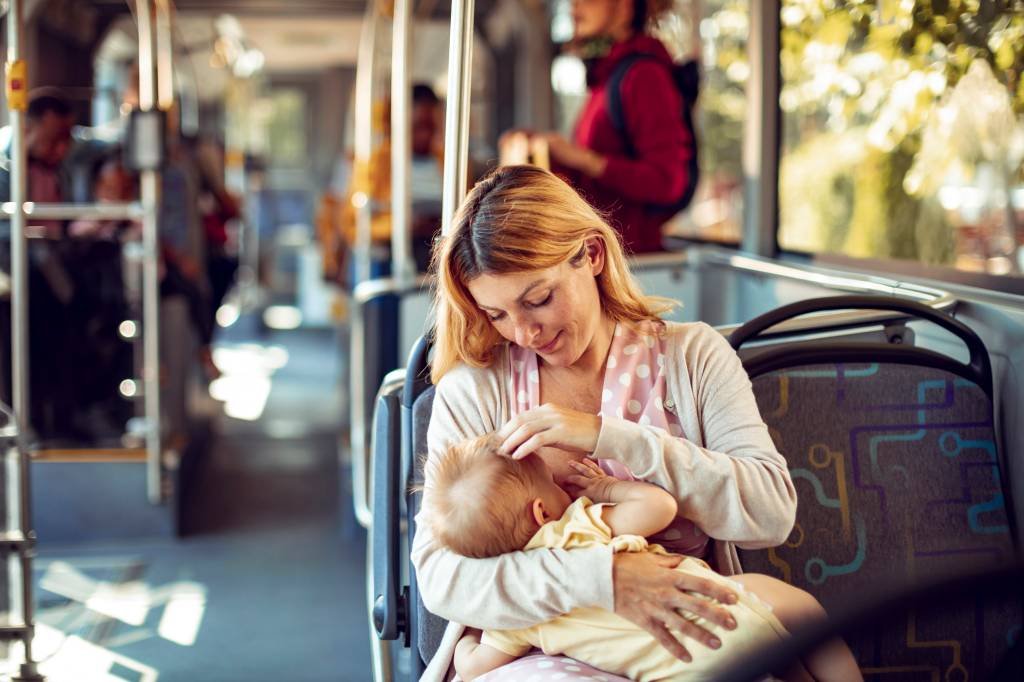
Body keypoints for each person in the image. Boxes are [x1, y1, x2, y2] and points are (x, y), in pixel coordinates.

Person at [412, 165, 798, 681]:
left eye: (539, 299)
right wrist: (603, 579)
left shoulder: (693, 357)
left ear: (592, 254)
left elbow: (771, 513)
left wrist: (607, 435)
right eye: (498, 315)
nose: (524, 333)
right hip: (536, 652)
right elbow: (441, 577)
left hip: (686, 639)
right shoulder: (476, 388)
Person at [425, 436, 862, 681]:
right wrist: (605, 490)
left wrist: (465, 645)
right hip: (728, 613)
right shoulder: (579, 524)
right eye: (554, 485)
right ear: (542, 511)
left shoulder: (516, 611)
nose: (568, 492)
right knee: (802, 614)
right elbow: (660, 509)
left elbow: (479, 666)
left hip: (688, 666)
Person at [501, 0, 697, 254]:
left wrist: (583, 159)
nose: (574, 6)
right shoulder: (607, 78)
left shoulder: (644, 75)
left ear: (626, 6)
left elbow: (669, 182)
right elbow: (597, 188)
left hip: (634, 263)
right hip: (606, 255)